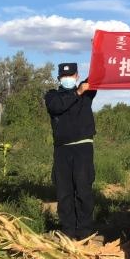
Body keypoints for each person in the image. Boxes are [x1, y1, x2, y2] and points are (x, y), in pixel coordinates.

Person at [44, 62, 97, 240]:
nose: (68, 78)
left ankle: (84, 232)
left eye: (71, 75)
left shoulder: (86, 92)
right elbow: (56, 107)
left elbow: (98, 74)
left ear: (77, 76)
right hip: (62, 150)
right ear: (59, 78)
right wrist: (76, 93)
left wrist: (100, 53)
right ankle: (68, 231)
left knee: (83, 190)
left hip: (83, 148)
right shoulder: (52, 96)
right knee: (64, 192)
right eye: (64, 76)